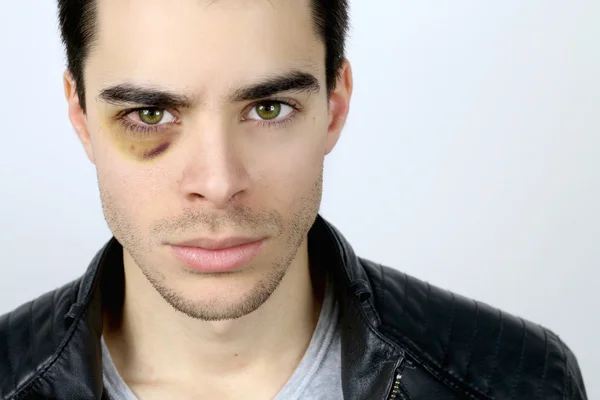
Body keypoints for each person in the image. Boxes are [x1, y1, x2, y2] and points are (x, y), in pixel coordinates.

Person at [0, 0, 588, 399]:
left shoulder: (519, 380)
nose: (220, 180)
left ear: (335, 105)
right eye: (149, 114)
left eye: (267, 108)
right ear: (80, 116)